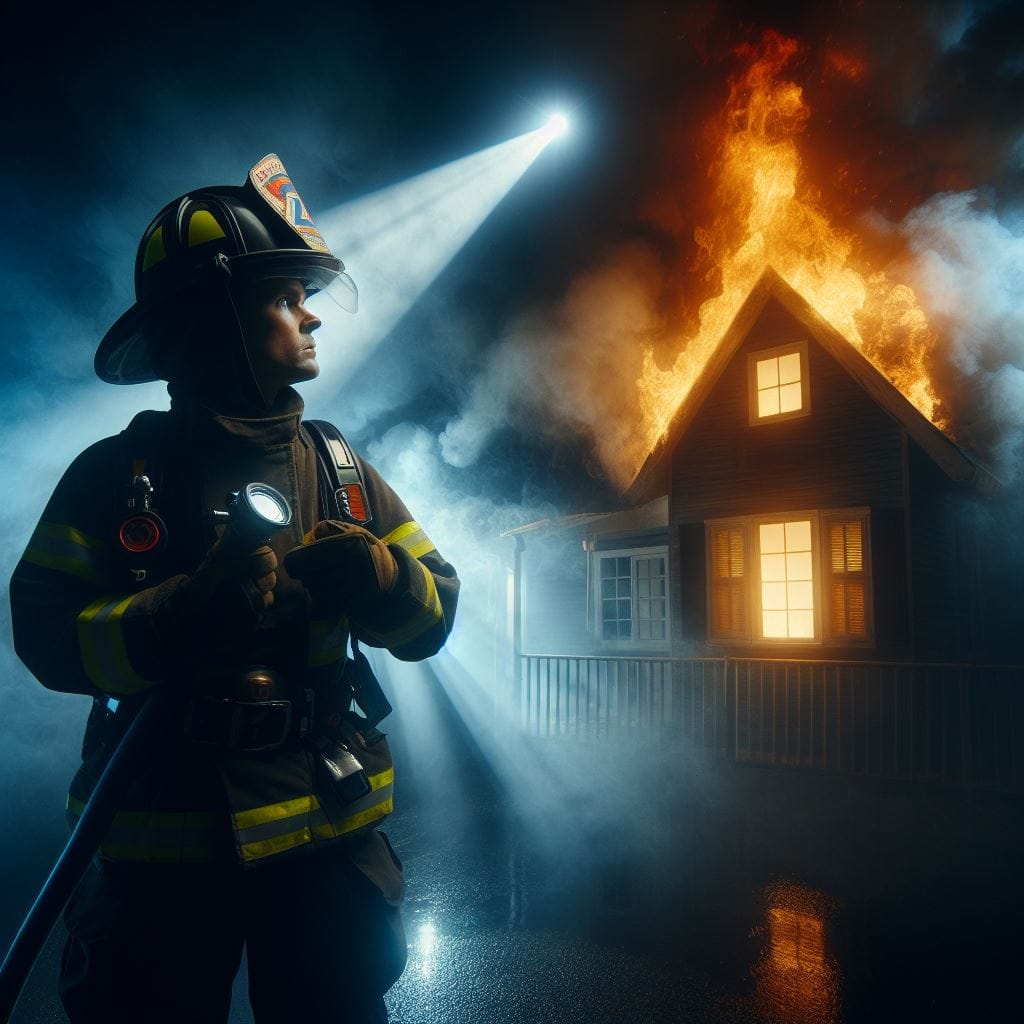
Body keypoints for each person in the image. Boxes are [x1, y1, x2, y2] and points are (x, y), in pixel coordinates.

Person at [9, 153, 459, 1024]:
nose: (312, 313)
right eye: (287, 296)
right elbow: (45, 633)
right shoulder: (113, 479)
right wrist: (173, 613)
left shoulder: (341, 472)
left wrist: (383, 573)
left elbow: (435, 614)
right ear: (214, 316)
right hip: (162, 851)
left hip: (327, 845)